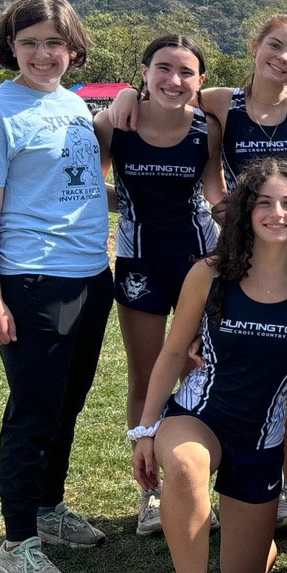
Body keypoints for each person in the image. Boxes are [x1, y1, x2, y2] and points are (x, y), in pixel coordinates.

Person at [110, 13, 287, 533]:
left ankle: (279, 486)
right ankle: (158, 492)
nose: (284, 58)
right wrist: (122, 93)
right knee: (170, 366)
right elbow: (161, 90)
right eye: (275, 46)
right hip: (230, 251)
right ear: (254, 45)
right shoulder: (218, 101)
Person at [129, 159, 287, 573]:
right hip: (200, 414)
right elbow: (175, 352)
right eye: (264, 202)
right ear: (245, 211)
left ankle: (224, 529)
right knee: (182, 466)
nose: (277, 213)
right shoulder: (211, 272)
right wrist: (144, 430)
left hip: (261, 436)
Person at [0, 0, 112, 573]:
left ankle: (48, 510)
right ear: (10, 46)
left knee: (66, 404)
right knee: (32, 412)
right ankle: (16, 543)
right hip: (33, 279)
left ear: (73, 48)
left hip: (89, 276)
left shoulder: (75, 107)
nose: (43, 54)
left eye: (54, 42)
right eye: (30, 43)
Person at [93, 34, 225, 537]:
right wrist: (127, 203)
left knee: (203, 368)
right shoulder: (114, 122)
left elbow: (214, 190)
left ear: (200, 81)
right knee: (145, 377)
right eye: (163, 68)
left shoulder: (206, 127)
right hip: (139, 262)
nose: (174, 80)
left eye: (186, 72)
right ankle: (149, 493)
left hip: (199, 261)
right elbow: (87, 184)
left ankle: (199, 489)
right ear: (143, 71)